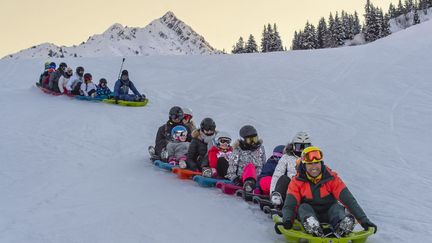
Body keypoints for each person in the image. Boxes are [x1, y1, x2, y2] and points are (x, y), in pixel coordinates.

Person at [278, 146, 377, 237]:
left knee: (337, 207)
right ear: (304, 166)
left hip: (329, 213)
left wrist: (364, 220)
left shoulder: (331, 179)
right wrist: (287, 220)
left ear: (321, 163)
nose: (314, 167)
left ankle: (342, 225)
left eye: (317, 163)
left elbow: (349, 200)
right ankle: (313, 227)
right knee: (303, 207)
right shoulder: (297, 182)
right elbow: (290, 204)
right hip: (308, 215)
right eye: (310, 164)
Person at [270, 132, 312, 208]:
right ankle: (277, 198)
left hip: (306, 188)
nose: (302, 150)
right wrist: (273, 192)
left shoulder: (312, 158)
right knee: (283, 178)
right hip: (290, 188)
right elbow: (277, 174)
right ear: (293, 146)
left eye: (305, 147)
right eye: (299, 147)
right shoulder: (286, 157)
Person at [226, 125, 266, 193]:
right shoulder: (238, 150)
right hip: (243, 178)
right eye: (250, 140)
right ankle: (249, 184)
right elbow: (231, 169)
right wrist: (235, 179)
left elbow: (264, 164)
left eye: (255, 139)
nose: (253, 142)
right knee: (250, 166)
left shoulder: (260, 149)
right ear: (243, 140)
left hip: (258, 178)